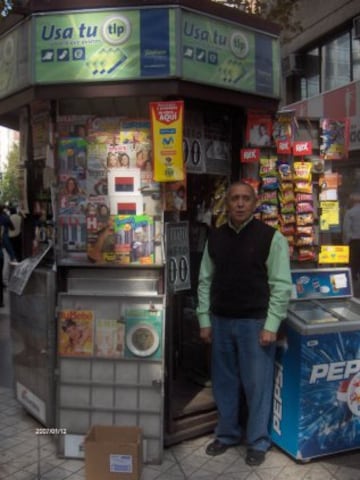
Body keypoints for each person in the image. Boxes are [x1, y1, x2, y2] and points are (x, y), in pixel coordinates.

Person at [196, 181, 292, 466]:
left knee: (257, 385)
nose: (239, 204)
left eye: (245, 199)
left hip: (256, 324)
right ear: (227, 203)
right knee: (224, 383)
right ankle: (226, 435)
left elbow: (281, 286)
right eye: (234, 199)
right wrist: (204, 319)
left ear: (255, 203)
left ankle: (258, 441)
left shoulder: (271, 238)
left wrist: (271, 325)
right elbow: (204, 281)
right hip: (221, 322)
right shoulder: (215, 238)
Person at [343, 192, 360, 282]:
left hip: (355, 242)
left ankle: (354, 284)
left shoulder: (350, 213)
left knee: (354, 265)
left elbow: (346, 229)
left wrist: (346, 242)